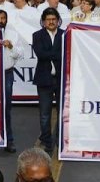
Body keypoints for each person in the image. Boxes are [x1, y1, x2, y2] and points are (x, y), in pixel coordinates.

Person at [32, 8, 64, 154]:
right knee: (45, 114)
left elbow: (65, 55)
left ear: (58, 20)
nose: (51, 22)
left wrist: (51, 54)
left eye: (53, 19)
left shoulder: (65, 35)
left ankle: (59, 139)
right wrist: (56, 54)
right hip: (44, 79)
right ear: (43, 22)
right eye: (48, 19)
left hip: (61, 79)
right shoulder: (37, 35)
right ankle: (47, 141)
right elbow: (40, 54)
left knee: (61, 112)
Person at [0, 9, 24, 153]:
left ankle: (8, 141)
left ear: (6, 19)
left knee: (6, 108)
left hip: (6, 74)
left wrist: (10, 46)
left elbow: (20, 54)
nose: (0, 20)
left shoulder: (13, 34)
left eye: (2, 18)